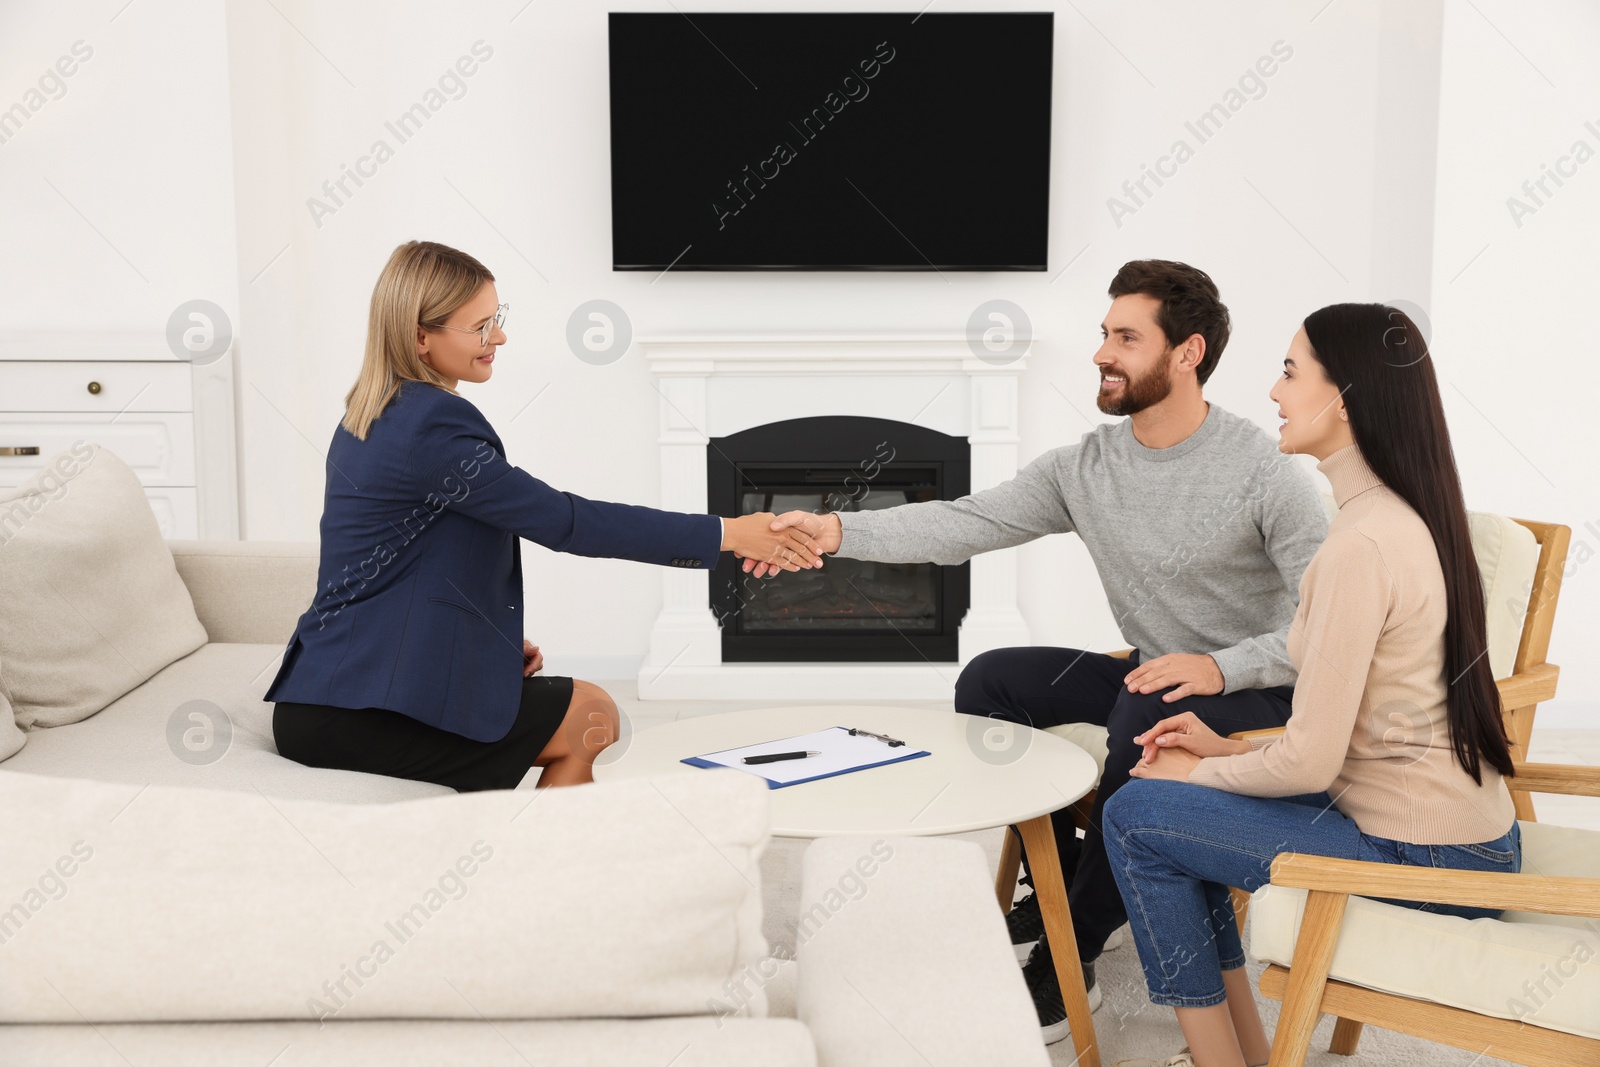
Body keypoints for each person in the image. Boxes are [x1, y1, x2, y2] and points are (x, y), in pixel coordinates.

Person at [747, 260, 1330, 1042]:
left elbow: (1324, 627)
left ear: (1186, 353)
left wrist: (1221, 666)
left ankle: (1072, 945)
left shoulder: (1265, 471)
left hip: (1256, 690)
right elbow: (964, 522)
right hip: (1151, 672)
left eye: (1126, 337)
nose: (1101, 353)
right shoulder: (1087, 466)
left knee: (1144, 702)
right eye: (1104, 334)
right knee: (995, 679)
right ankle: (1059, 877)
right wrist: (838, 531)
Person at [1100, 304, 1520, 1067]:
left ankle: (1221, 1060)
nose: (1272, 392)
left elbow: (1309, 765)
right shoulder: (1402, 515)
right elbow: (1356, 731)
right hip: (1462, 839)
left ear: (1348, 397)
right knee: (1177, 811)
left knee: (1135, 814)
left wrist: (1202, 768)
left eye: (1291, 372)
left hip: (1426, 857)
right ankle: (1244, 1057)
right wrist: (1220, 748)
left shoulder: (1361, 544)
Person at [266, 240, 819, 792]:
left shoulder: (375, 411)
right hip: (359, 713)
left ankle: (509, 842)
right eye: (480, 327)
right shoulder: (432, 427)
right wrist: (729, 533)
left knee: (583, 710)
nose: (499, 337)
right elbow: (566, 521)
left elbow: (396, 563)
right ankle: (541, 866)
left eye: (497, 319)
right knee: (590, 717)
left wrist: (485, 642)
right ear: (420, 336)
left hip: (323, 697)